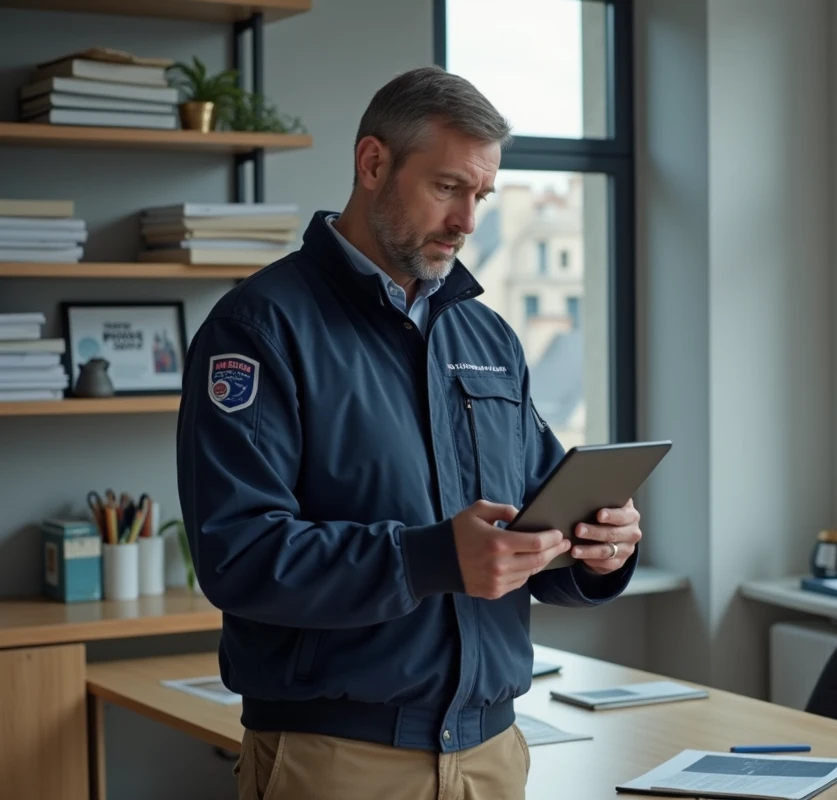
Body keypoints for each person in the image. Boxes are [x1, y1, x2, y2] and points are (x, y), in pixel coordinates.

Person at [176, 65, 642, 800]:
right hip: (338, 763)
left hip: (493, 755)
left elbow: (527, 528)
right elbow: (239, 555)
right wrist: (429, 558)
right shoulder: (259, 329)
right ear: (372, 163)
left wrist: (596, 550)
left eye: (481, 195)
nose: (467, 221)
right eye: (448, 187)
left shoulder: (488, 337)